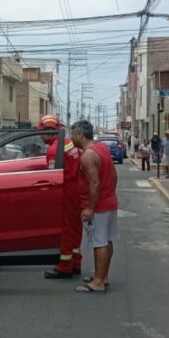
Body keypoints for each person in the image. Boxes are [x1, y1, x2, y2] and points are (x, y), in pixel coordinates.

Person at [71, 120, 118, 294]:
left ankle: (98, 282)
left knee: (100, 242)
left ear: (80, 135)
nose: (71, 138)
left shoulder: (87, 156)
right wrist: (111, 193)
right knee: (107, 239)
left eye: (72, 134)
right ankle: (102, 276)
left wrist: (90, 207)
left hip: (98, 206)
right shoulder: (102, 148)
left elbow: (94, 184)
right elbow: (113, 174)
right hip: (109, 201)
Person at [37, 115, 86, 279]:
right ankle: (75, 262)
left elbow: (52, 177)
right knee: (75, 227)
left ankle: (65, 266)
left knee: (66, 229)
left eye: (41, 133)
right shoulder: (67, 143)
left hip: (67, 191)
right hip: (78, 189)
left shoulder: (53, 151)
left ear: (50, 132)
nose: (40, 136)